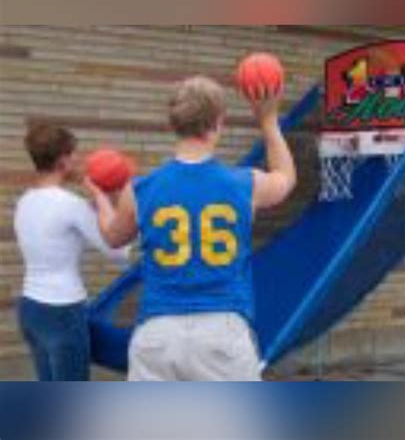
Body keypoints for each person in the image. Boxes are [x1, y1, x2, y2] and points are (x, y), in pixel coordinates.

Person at [86, 76, 296, 381]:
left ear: (173, 123)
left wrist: (100, 198)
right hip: (221, 333)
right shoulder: (245, 183)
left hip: (158, 333)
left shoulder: (141, 189)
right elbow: (286, 177)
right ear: (219, 121)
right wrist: (268, 120)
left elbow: (112, 237)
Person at [14, 123, 130, 381]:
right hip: (62, 310)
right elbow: (119, 250)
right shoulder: (71, 206)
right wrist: (102, 198)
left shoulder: (25, 201)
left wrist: (92, 206)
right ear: (63, 161)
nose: (78, 161)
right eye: (73, 154)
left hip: (30, 307)